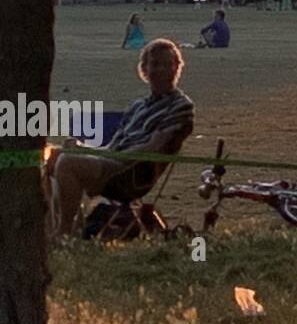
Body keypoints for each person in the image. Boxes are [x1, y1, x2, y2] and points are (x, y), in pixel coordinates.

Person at [47, 39, 194, 237]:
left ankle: (63, 235)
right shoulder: (138, 106)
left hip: (132, 174)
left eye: (167, 64)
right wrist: (83, 147)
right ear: (144, 69)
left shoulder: (180, 107)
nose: (161, 69)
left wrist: (100, 156)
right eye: (155, 64)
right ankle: (58, 231)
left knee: (67, 162)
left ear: (177, 67)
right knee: (54, 156)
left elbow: (151, 148)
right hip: (113, 161)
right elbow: (113, 145)